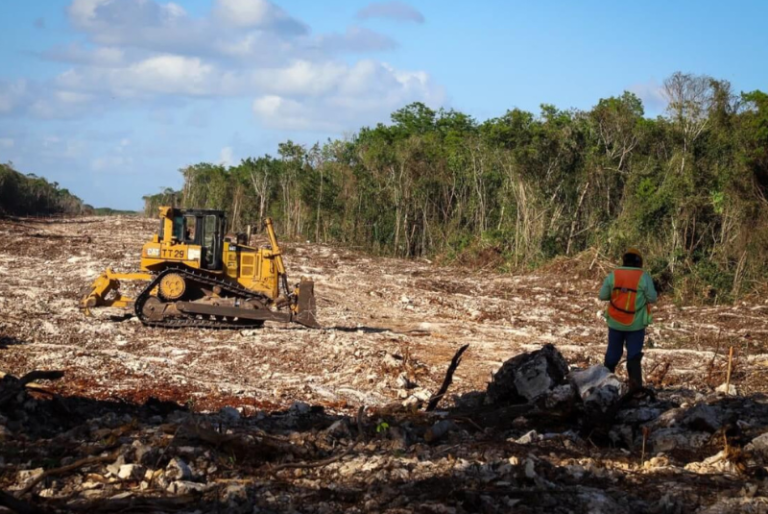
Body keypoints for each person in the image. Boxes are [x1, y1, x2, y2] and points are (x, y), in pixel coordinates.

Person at [599, 247, 657, 391]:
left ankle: (604, 384)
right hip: (636, 325)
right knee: (634, 356)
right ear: (639, 262)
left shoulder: (614, 275)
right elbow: (652, 298)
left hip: (615, 322)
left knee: (612, 355)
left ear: (624, 260)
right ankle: (635, 389)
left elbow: (603, 295)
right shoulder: (644, 277)